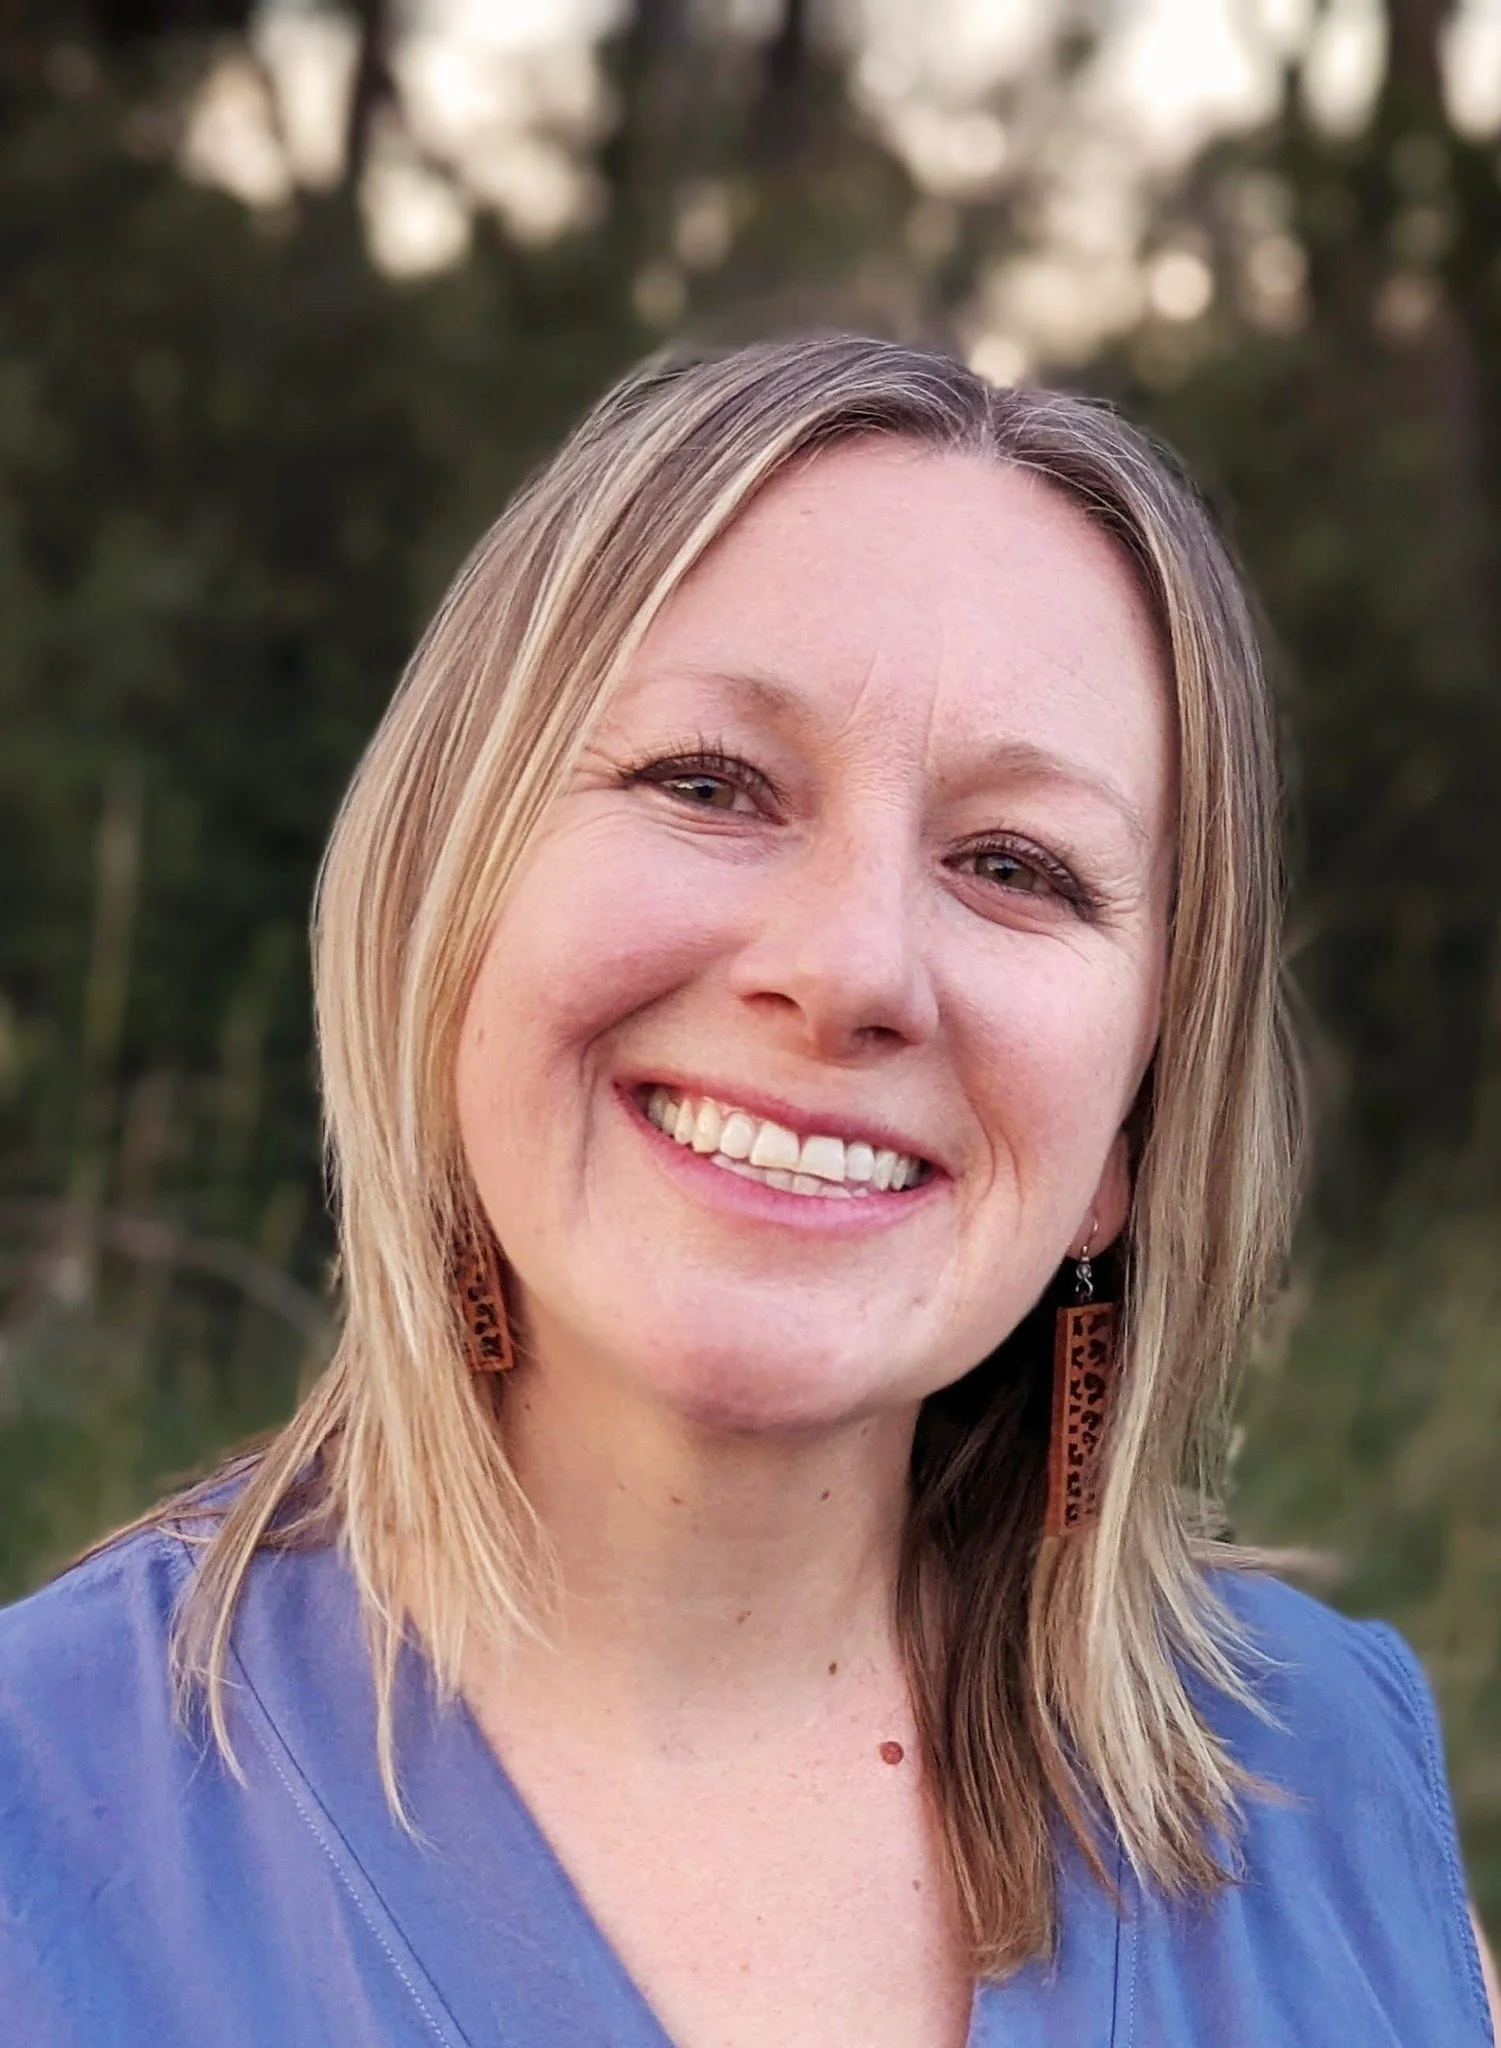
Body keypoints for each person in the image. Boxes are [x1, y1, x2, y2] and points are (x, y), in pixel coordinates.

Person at [0, 335, 1495, 2048]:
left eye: (1015, 867)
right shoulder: (35, 1840)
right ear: (451, 905)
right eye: (709, 783)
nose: (854, 964)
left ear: (1128, 1139)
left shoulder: (1328, 1804)